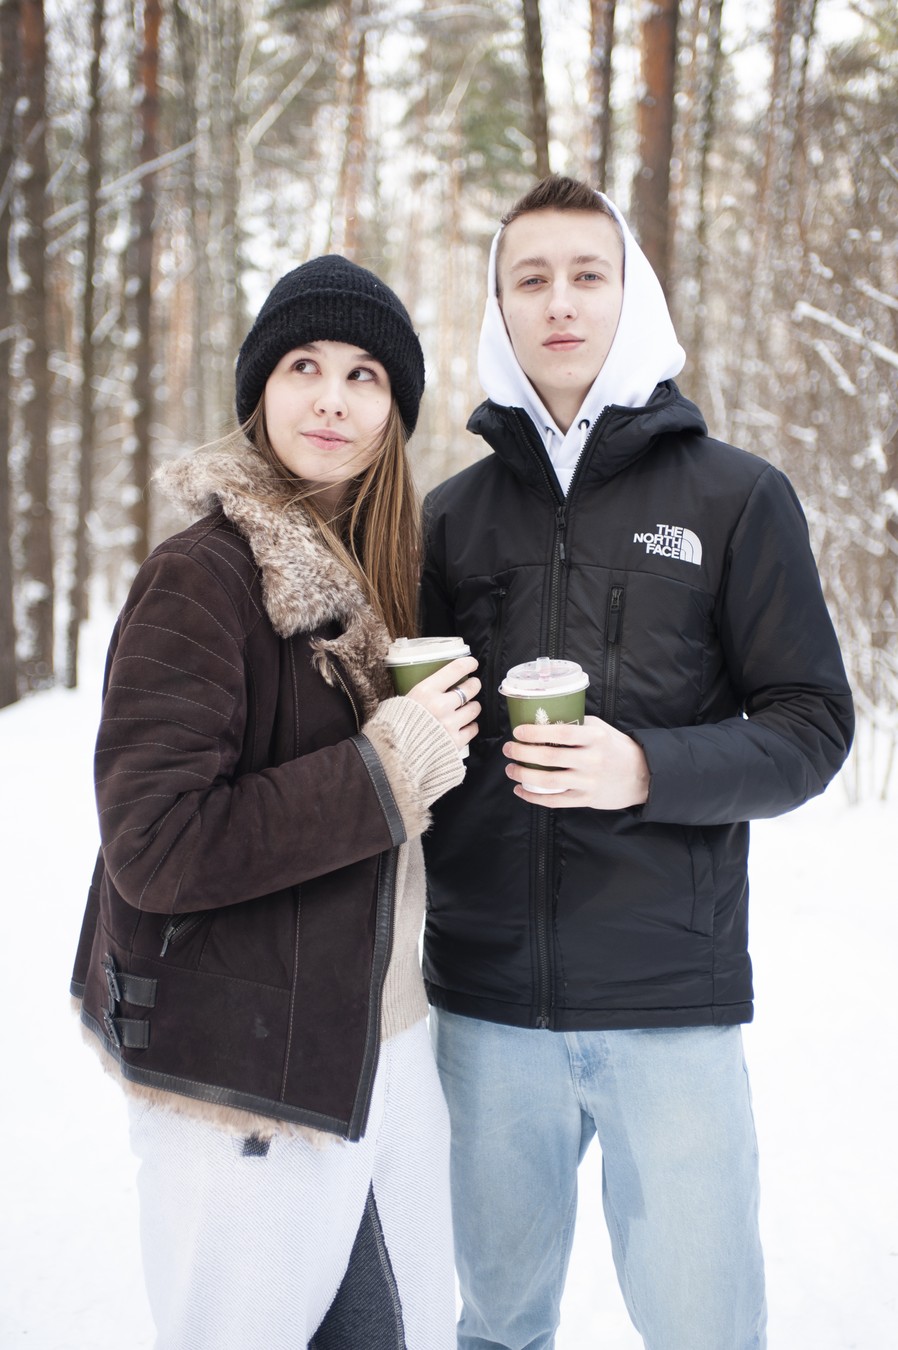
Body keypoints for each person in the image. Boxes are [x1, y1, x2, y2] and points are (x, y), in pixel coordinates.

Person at [420, 175, 854, 1350]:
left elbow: (811, 723)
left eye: (586, 273)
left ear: (631, 294)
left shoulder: (736, 496)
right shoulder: (446, 521)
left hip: (670, 1002)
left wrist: (646, 769)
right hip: (487, 1003)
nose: (560, 302)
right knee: (498, 1323)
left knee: (705, 1328)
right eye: (530, 278)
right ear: (498, 311)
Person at [70, 255, 481, 1350]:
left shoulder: (367, 581)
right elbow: (157, 846)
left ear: (395, 413)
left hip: (375, 1049)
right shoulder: (200, 577)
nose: (332, 398)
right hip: (242, 1082)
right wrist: (387, 765)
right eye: (304, 365)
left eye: (365, 376)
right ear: (261, 388)